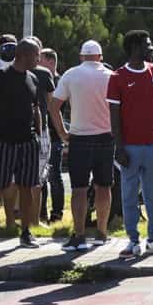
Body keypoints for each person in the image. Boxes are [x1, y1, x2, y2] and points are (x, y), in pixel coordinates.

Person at [107, 30, 153, 257]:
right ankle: (133, 242)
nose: (152, 48)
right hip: (129, 148)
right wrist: (119, 148)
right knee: (128, 197)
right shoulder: (117, 77)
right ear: (135, 48)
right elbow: (114, 116)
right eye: (148, 45)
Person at [0, 39, 44, 249]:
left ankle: (25, 232)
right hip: (3, 141)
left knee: (27, 187)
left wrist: (39, 134)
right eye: (36, 55)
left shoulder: (33, 78)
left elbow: (36, 108)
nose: (39, 59)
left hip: (28, 142)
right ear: (23, 55)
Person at [50, 40, 115, 251]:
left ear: (81, 57)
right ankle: (102, 233)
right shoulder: (111, 76)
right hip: (105, 136)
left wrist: (62, 133)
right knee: (103, 187)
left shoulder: (71, 75)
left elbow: (54, 106)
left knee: (79, 189)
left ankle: (79, 235)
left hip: (79, 138)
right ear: (101, 57)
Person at [36, 46, 65, 223]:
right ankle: (41, 213)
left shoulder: (61, 82)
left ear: (51, 61)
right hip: (43, 134)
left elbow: (56, 109)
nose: (37, 62)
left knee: (54, 176)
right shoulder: (40, 78)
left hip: (54, 136)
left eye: (40, 59)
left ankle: (57, 213)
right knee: (41, 177)